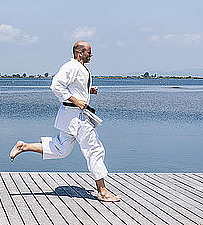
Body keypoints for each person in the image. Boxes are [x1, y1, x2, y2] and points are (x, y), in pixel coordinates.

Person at [9, 41, 120, 202]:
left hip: (72, 116)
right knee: (94, 150)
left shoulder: (79, 68)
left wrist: (88, 91)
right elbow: (56, 86)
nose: (91, 55)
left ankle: (24, 146)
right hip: (77, 116)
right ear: (79, 52)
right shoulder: (71, 66)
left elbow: (72, 86)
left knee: (61, 149)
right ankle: (102, 191)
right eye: (89, 52)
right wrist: (76, 100)